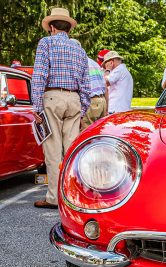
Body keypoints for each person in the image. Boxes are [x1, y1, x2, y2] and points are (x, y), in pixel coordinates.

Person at [31, 7, 91, 209]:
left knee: (53, 151)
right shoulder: (79, 50)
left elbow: (39, 75)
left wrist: (37, 106)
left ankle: (54, 198)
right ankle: (73, 197)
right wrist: (83, 108)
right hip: (74, 99)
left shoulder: (46, 43)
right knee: (72, 151)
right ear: (67, 28)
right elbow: (86, 83)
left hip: (53, 98)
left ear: (52, 27)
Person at [71, 39, 107, 130]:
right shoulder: (94, 63)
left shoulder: (78, 63)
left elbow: (79, 87)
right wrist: (106, 107)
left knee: (86, 134)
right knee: (98, 133)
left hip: (90, 103)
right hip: (101, 101)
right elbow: (105, 87)